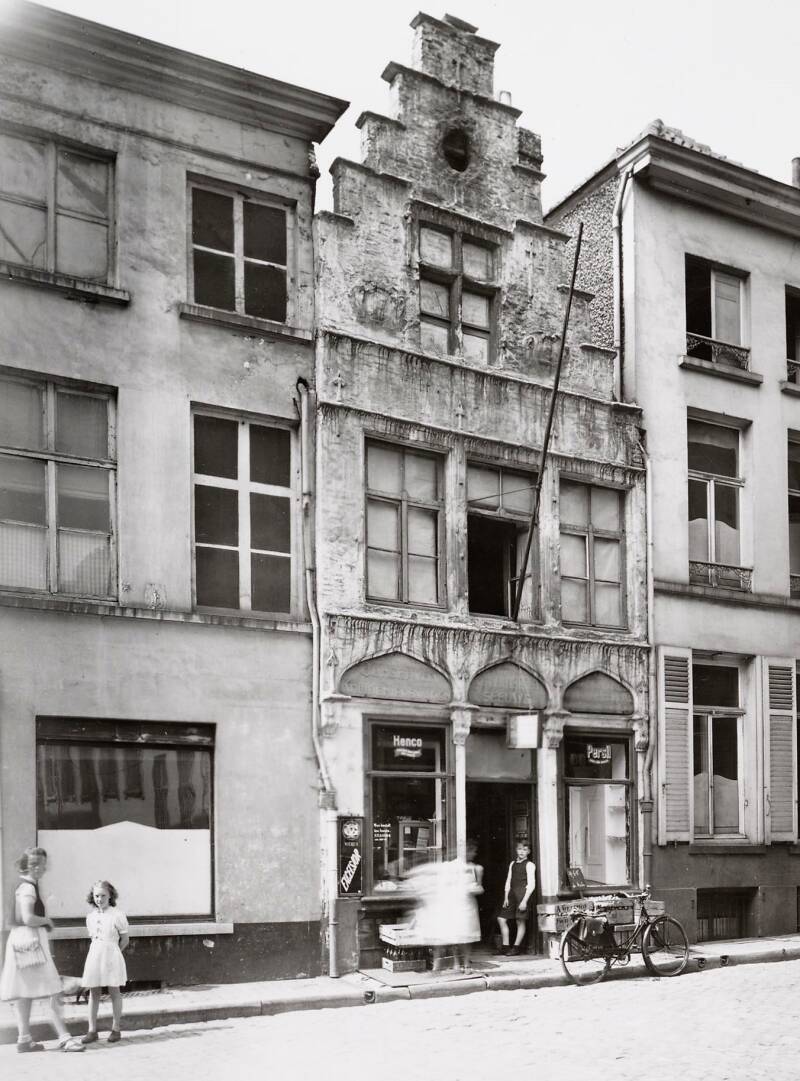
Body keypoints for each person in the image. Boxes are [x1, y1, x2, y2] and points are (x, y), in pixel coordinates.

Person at [0, 847, 85, 1053]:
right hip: (31, 941)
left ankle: (24, 1039)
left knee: (25, 991)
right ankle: (64, 1038)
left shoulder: (23, 885)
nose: (38, 868)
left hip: (21, 941)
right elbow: (28, 918)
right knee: (53, 989)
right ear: (26, 865)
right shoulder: (28, 888)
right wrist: (47, 921)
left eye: (41, 864)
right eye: (33, 864)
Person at [80, 880, 129, 1045]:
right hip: (95, 955)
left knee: (114, 991)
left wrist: (114, 953)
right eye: (96, 896)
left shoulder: (117, 915)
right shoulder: (91, 917)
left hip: (112, 955)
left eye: (103, 895)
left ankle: (116, 1029)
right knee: (94, 992)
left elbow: (125, 939)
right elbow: (94, 938)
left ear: (110, 896)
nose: (99, 899)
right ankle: (92, 1030)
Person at [496, 841, 536, 956]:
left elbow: (531, 884)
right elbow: (508, 880)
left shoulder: (529, 865)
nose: (522, 852)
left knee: (520, 921)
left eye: (525, 849)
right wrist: (506, 897)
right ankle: (505, 946)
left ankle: (516, 947)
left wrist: (524, 901)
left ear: (528, 851)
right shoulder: (512, 864)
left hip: (522, 895)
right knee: (501, 919)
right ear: (516, 850)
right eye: (519, 849)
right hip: (511, 895)